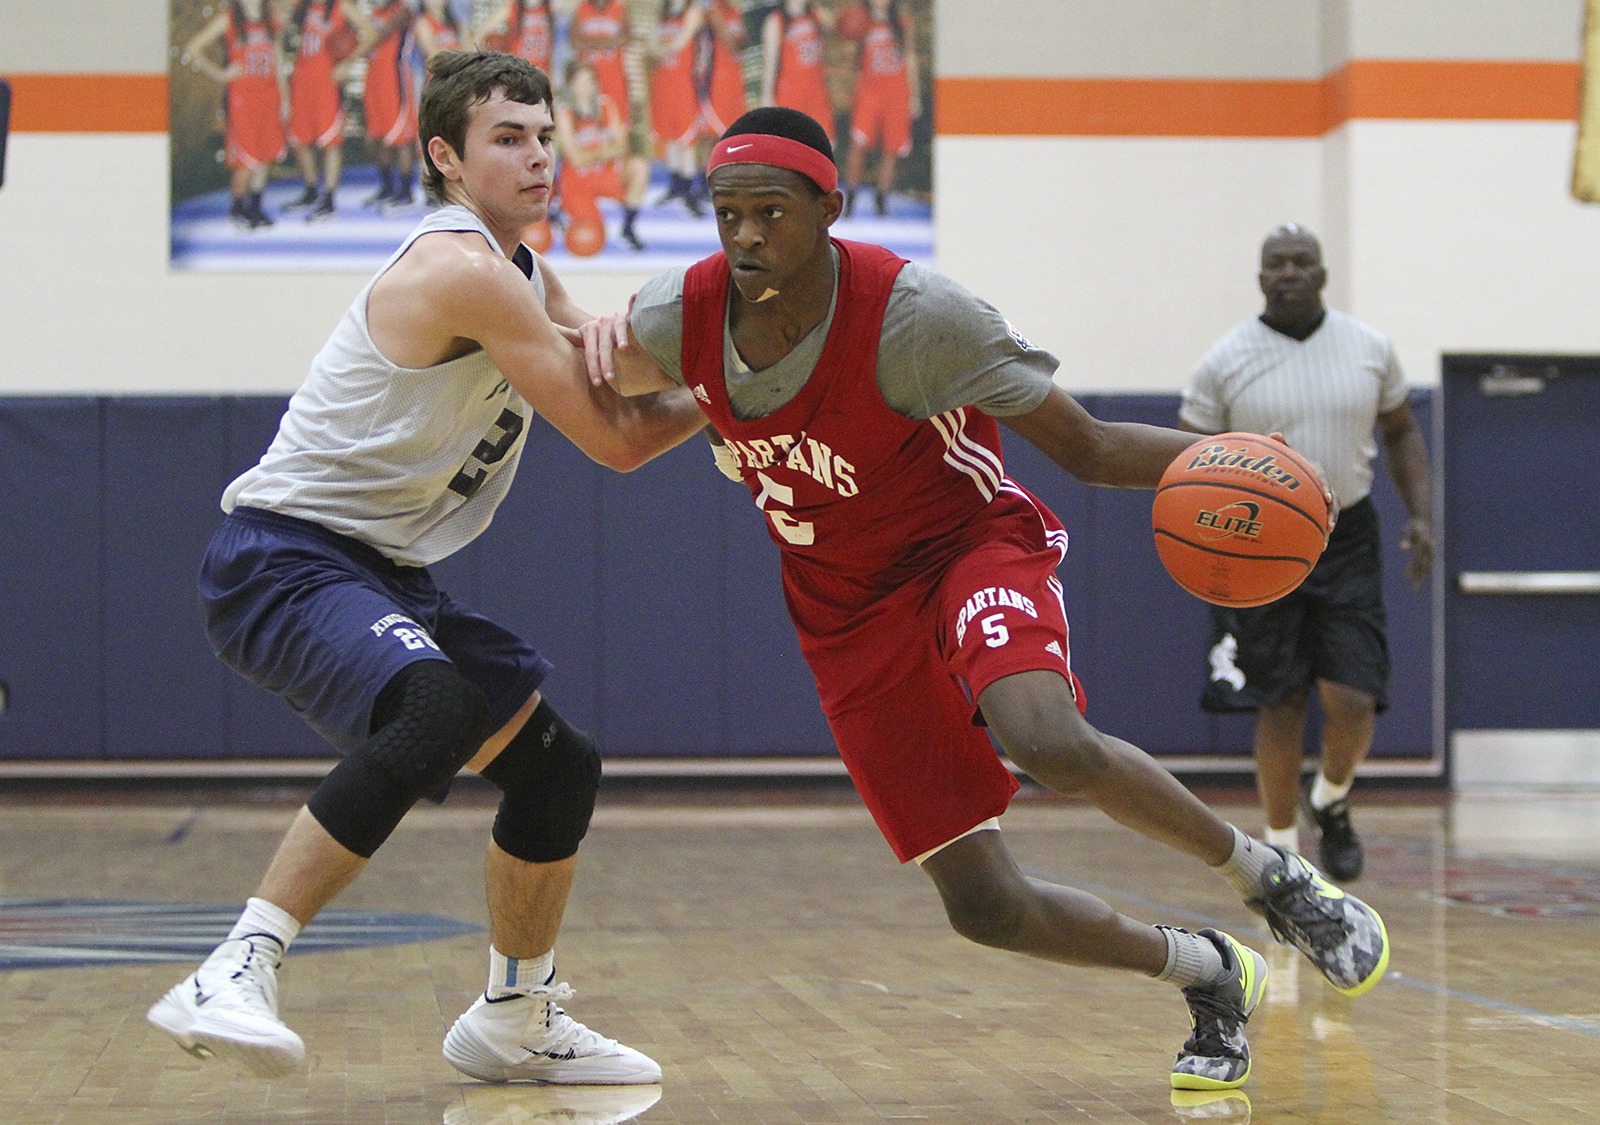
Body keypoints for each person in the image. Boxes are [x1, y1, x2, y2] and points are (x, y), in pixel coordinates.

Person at [578, 106, 1392, 1093]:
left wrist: (1244, 465)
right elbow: (578, 373)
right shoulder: (681, 313)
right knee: (983, 908)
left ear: (829, 207)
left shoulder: (918, 317)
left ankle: (1269, 877)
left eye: (772, 212)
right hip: (843, 615)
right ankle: (1208, 972)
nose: (747, 236)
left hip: (963, 550)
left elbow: (1087, 448)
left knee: (1044, 736)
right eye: (727, 213)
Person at [147, 50, 707, 1085]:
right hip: (282, 557)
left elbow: (626, 365)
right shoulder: (459, 269)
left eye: (545, 135)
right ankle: (233, 968)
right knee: (435, 709)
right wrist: (746, 383)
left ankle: (512, 1016)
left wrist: (753, 349)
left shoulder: (525, 274)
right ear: (446, 158)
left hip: (377, 570)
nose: (539, 156)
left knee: (555, 767)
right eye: (508, 138)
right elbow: (620, 438)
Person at [1179, 223, 1435, 882]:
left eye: (1302, 262)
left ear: (1323, 274)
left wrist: (1423, 516)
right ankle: (1284, 853)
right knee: (1280, 699)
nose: (1289, 272)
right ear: (1259, 276)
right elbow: (1184, 461)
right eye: (1276, 263)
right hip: (1257, 540)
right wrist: (1206, 543)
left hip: (1344, 531)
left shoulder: (1370, 348)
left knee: (1352, 697)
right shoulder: (1225, 358)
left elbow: (1402, 432)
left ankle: (1332, 799)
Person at [179, 0, 289, 230]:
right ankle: (238, 206)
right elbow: (193, 48)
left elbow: (278, 61)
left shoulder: (271, 21)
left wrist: (285, 98)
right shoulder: (228, 19)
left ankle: (256, 206)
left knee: (266, 154)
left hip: (269, 96)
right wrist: (221, 74)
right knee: (246, 158)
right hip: (243, 98)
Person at [282, 0, 371, 221]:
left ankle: (329, 198)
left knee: (330, 141)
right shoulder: (302, 7)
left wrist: (348, 62)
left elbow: (369, 33)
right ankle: (311, 190)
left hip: (327, 82)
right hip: (301, 79)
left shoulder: (342, 6)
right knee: (299, 139)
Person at [556, 59, 649, 253]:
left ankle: (628, 228)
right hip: (578, 181)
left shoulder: (606, 105)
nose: (585, 87)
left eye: (589, 81)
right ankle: (560, 211)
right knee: (592, 234)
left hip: (607, 174)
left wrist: (592, 153)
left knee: (639, 166)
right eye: (580, 82)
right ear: (570, 84)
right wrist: (605, 150)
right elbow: (576, 159)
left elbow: (622, 147)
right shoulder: (563, 111)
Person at [841, 0, 919, 218]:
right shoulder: (861, 21)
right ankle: (850, 198)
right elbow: (854, 61)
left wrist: (914, 96)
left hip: (896, 90)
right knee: (857, 146)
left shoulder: (902, 22)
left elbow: (910, 57)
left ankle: (882, 199)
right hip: (870, 91)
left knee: (892, 149)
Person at [648, 0, 710, 216]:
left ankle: (689, 191)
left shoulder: (693, 10)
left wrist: (660, 47)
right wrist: (658, 47)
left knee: (687, 137)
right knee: (670, 135)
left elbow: (680, 42)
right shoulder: (662, 10)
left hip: (684, 81)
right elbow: (652, 44)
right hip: (663, 80)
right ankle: (676, 186)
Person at [361, 0, 419, 210]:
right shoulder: (376, 12)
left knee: (402, 136)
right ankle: (387, 187)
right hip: (374, 76)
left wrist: (350, 59)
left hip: (395, 77)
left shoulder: (403, 10)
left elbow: (378, 36)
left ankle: (405, 191)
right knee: (377, 135)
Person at [759, 0, 836, 143]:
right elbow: (770, 66)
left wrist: (818, 7)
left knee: (824, 151)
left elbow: (834, 29)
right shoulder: (776, 21)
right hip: (790, 98)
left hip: (817, 96)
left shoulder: (816, 15)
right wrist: (767, 103)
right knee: (790, 153)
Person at [699, 0, 749, 140]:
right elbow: (731, 45)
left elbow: (743, 44)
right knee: (712, 134)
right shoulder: (711, 10)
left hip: (734, 79)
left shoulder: (734, 11)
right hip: (715, 80)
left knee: (734, 130)